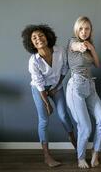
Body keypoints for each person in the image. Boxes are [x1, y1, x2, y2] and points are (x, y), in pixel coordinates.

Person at [21, 24, 77, 167]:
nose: (38, 39)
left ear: (47, 36)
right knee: (44, 120)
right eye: (34, 38)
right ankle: (47, 156)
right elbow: (39, 83)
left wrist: (57, 87)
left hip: (56, 86)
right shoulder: (33, 61)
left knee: (64, 115)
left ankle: (77, 146)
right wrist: (46, 102)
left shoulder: (59, 51)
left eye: (41, 35)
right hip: (39, 89)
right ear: (31, 43)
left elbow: (65, 68)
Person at [66, 16, 101, 169]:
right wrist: (82, 46)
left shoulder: (90, 44)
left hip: (90, 86)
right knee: (85, 127)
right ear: (76, 30)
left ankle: (95, 152)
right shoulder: (72, 42)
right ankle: (81, 158)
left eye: (87, 28)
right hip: (76, 87)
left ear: (91, 30)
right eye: (81, 28)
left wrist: (91, 48)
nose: (84, 31)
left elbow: (97, 64)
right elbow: (77, 46)